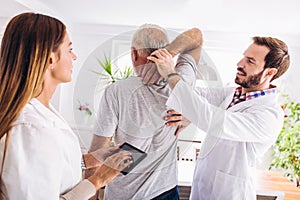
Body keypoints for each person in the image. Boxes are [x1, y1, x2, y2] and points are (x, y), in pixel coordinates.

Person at [0, 12, 132, 200]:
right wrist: (97, 181)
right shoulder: (31, 128)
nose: (75, 56)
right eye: (70, 49)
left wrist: (88, 160)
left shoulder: (42, 113)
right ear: (50, 58)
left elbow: (49, 170)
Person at [148, 36, 290, 199]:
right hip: (203, 186)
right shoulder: (233, 92)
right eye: (244, 56)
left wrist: (171, 74)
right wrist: (190, 113)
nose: (239, 64)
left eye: (250, 61)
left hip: (230, 194)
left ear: (270, 73)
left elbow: (214, 121)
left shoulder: (269, 115)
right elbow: (198, 94)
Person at [88, 24, 202, 199]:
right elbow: (197, 37)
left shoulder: (117, 91)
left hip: (123, 195)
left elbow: (97, 149)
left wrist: (91, 196)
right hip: (165, 193)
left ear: (134, 54)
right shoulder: (181, 84)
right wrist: (168, 53)